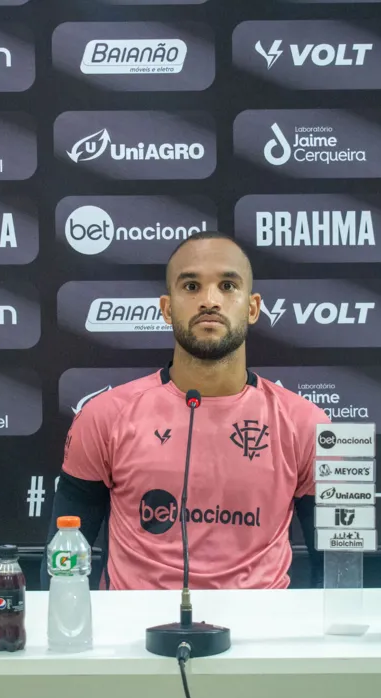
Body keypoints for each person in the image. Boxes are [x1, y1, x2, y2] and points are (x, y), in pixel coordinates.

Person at [44, 231, 329, 590]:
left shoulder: (308, 424)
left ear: (253, 307)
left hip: (261, 636)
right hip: (131, 637)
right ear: (166, 308)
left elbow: (339, 570)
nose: (210, 301)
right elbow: (64, 558)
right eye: (191, 287)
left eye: (227, 286)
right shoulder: (105, 416)